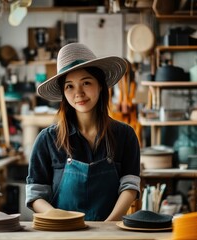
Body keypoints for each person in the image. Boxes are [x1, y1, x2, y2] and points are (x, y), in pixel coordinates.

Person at [25, 43, 141, 221]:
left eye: (86, 82)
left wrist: (106, 227)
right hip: (63, 234)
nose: (78, 92)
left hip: (110, 234)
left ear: (100, 85)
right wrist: (64, 221)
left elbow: (130, 187)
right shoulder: (47, 140)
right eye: (69, 86)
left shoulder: (125, 135)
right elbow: (36, 196)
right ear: (63, 93)